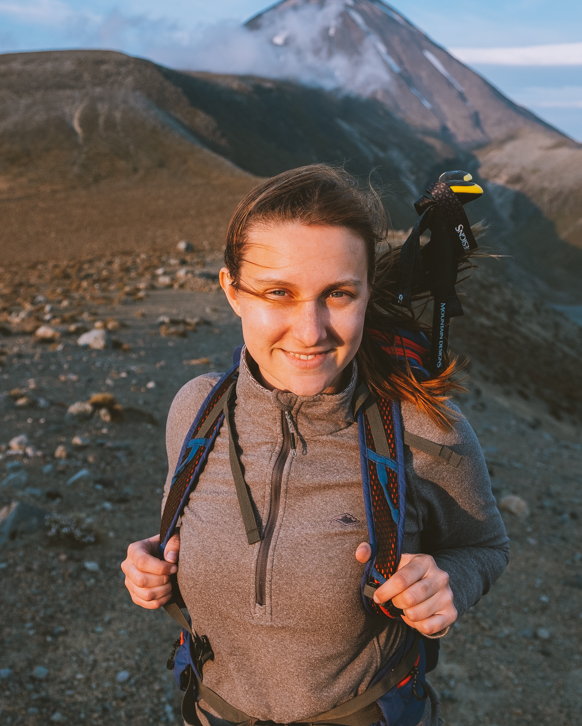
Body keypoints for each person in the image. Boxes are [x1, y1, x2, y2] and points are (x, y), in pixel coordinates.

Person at [121, 165, 509, 726]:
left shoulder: (426, 430)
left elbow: (485, 547)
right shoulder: (195, 410)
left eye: (339, 294)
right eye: (278, 293)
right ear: (232, 291)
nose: (311, 330)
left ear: (368, 290)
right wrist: (154, 560)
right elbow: (186, 530)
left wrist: (449, 585)